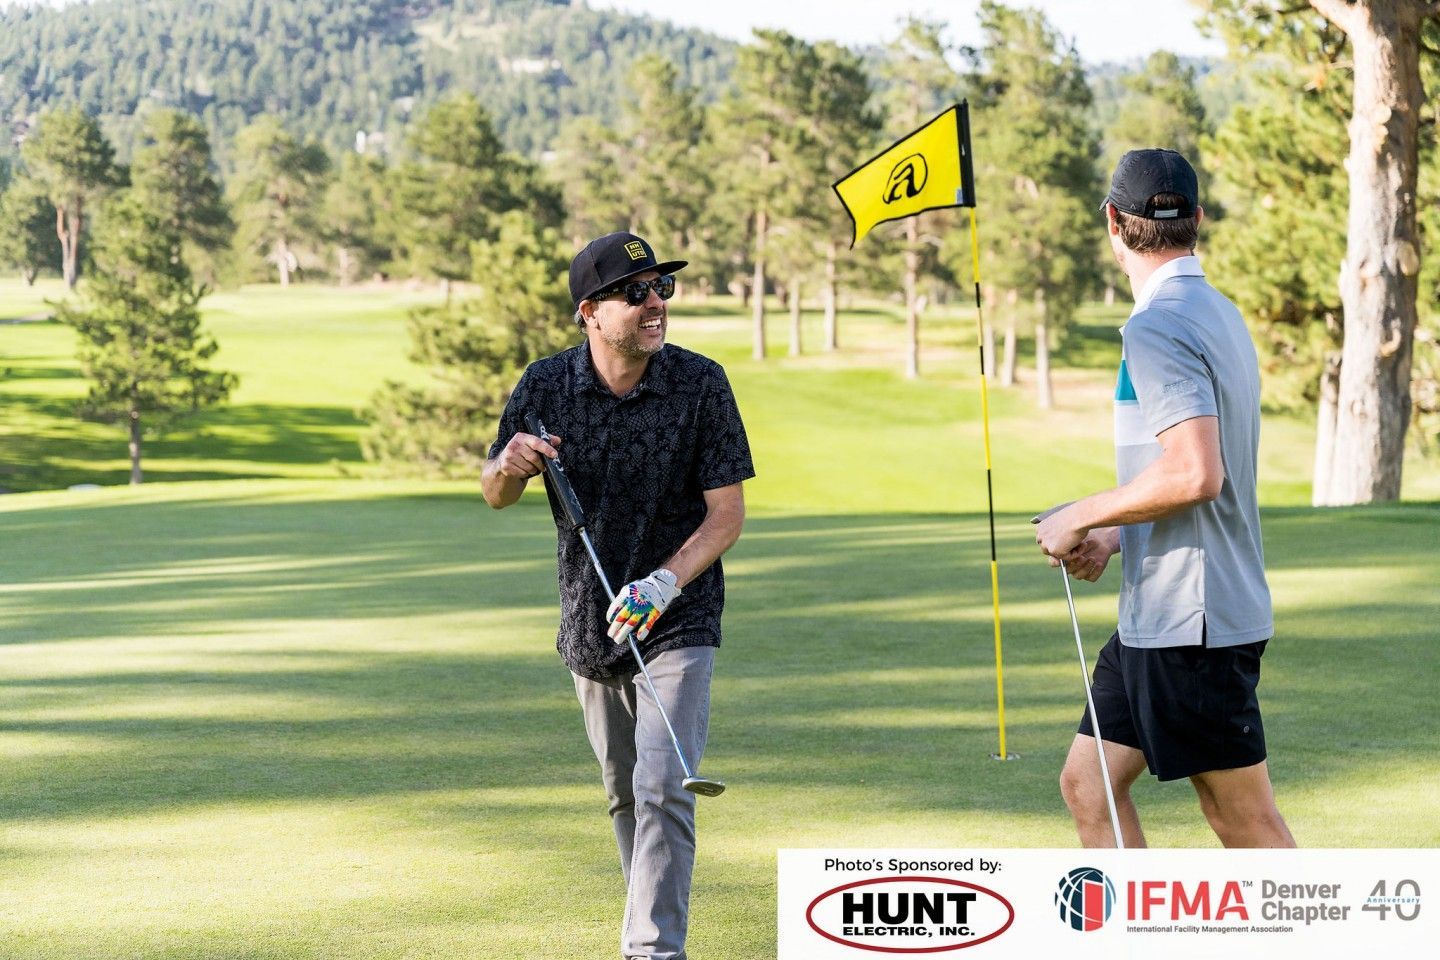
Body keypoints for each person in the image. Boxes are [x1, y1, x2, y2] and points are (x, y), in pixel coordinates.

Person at [481, 231, 754, 959]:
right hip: (589, 617)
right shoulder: (543, 387)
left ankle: (652, 949)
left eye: (661, 289)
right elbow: (495, 493)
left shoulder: (701, 384)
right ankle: (648, 921)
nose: (654, 304)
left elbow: (726, 514)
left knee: (665, 784)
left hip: (679, 611)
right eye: (635, 294)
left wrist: (665, 581)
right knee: (625, 793)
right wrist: (509, 463)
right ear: (589, 313)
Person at [1033, 149, 1295, 849]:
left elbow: (1196, 474)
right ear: (1197, 220)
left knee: (1244, 819)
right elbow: (1193, 473)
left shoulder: (1157, 325)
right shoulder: (1214, 311)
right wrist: (1119, 535)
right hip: (1163, 612)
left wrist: (1078, 514)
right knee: (1088, 784)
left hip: (1194, 620)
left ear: (1113, 221)